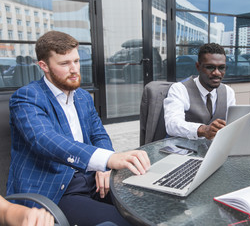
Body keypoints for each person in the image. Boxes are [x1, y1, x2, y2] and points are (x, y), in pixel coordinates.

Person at [7, 31, 151, 226]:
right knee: (126, 222)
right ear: (44, 66)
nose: (74, 69)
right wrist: (107, 159)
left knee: (148, 209)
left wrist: (105, 168)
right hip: (58, 189)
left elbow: (99, 134)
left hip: (93, 180)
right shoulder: (27, 97)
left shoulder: (82, 97)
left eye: (76, 61)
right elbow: (46, 140)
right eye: (64, 64)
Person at [164, 43, 236, 140]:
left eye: (221, 68)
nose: (217, 73)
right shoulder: (180, 89)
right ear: (198, 67)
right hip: (185, 151)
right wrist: (203, 129)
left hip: (216, 149)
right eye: (210, 67)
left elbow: (232, 124)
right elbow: (172, 124)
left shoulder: (228, 92)